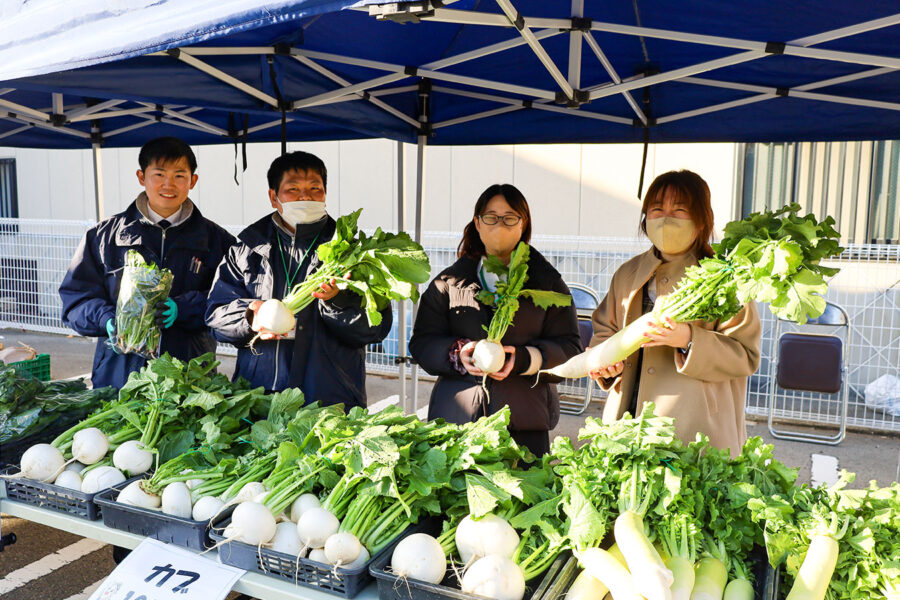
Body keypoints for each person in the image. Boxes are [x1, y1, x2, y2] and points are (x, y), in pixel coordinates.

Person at [589, 170, 761, 456]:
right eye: (657, 209)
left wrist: (688, 339)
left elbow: (746, 355)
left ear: (701, 219)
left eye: (679, 210)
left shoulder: (726, 276)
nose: (666, 218)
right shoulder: (627, 273)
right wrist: (606, 363)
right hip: (627, 424)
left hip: (696, 430)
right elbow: (604, 332)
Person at [205, 151, 391, 405]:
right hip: (258, 395)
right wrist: (251, 317)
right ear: (274, 196)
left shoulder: (351, 253)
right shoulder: (247, 248)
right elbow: (216, 315)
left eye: (315, 188)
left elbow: (375, 328)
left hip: (329, 397)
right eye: (293, 189)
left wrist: (336, 301)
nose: (305, 196)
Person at [409, 184, 582, 457]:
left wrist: (526, 359)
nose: (499, 225)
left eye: (509, 217)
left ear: (523, 224)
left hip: (524, 422)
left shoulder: (548, 283)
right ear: (477, 223)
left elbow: (571, 349)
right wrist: (457, 354)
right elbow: (421, 343)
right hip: (458, 419)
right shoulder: (448, 283)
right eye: (490, 217)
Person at [59, 137, 236, 390]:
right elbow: (75, 299)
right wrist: (107, 318)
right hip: (118, 377)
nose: (168, 184)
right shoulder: (104, 237)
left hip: (190, 378)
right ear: (142, 177)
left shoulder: (217, 241)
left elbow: (228, 301)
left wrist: (185, 308)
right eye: (159, 174)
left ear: (192, 181)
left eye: (179, 175)